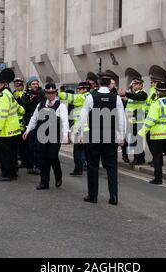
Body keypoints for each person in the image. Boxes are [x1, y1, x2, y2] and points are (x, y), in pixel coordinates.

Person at [78, 72, 126, 206]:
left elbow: (83, 117)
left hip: (94, 136)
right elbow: (121, 118)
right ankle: (114, 197)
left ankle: (93, 196)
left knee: (93, 166)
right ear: (109, 83)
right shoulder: (116, 98)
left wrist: (81, 134)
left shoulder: (91, 97)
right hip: (110, 136)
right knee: (111, 167)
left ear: (98, 83)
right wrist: (121, 136)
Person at [23, 83, 70, 190]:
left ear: (56, 92)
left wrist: (65, 135)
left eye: (52, 93)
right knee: (43, 158)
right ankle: (44, 182)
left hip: (55, 135)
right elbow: (34, 118)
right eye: (48, 93)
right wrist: (28, 130)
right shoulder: (41, 104)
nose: (50, 95)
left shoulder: (61, 105)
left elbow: (65, 121)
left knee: (52, 156)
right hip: (42, 134)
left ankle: (58, 175)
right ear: (45, 93)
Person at [0, 72, 25, 182]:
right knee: (12, 154)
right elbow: (20, 109)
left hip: (5, 131)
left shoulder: (2, 96)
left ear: (2, 84)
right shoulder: (9, 94)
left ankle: (6, 174)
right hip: (14, 130)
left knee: (5, 154)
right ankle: (12, 173)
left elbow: (2, 114)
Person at [58, 82, 91, 176]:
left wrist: (57, 93)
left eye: (79, 89)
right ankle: (88, 167)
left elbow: (70, 97)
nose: (78, 91)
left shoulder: (83, 97)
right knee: (87, 150)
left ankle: (78, 169)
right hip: (88, 128)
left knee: (77, 150)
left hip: (82, 129)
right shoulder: (90, 97)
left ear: (84, 89)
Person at [119, 78, 148, 166]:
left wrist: (126, 94)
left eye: (135, 84)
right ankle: (140, 157)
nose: (133, 86)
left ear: (140, 85)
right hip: (132, 121)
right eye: (133, 85)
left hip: (138, 121)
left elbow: (138, 97)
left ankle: (138, 159)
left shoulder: (143, 93)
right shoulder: (133, 94)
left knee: (136, 141)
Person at [21, 77, 44, 175]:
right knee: (29, 146)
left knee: (38, 146)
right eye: (33, 83)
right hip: (28, 123)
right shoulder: (26, 94)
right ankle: (29, 165)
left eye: (36, 83)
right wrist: (28, 97)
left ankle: (38, 166)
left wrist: (37, 95)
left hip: (40, 123)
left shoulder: (42, 93)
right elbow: (22, 106)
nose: (35, 85)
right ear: (29, 85)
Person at [13, 78, 27, 169]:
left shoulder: (24, 94)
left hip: (22, 122)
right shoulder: (13, 93)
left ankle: (24, 161)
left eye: (19, 84)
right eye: (16, 84)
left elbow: (24, 105)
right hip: (14, 123)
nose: (18, 86)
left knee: (23, 144)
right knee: (16, 144)